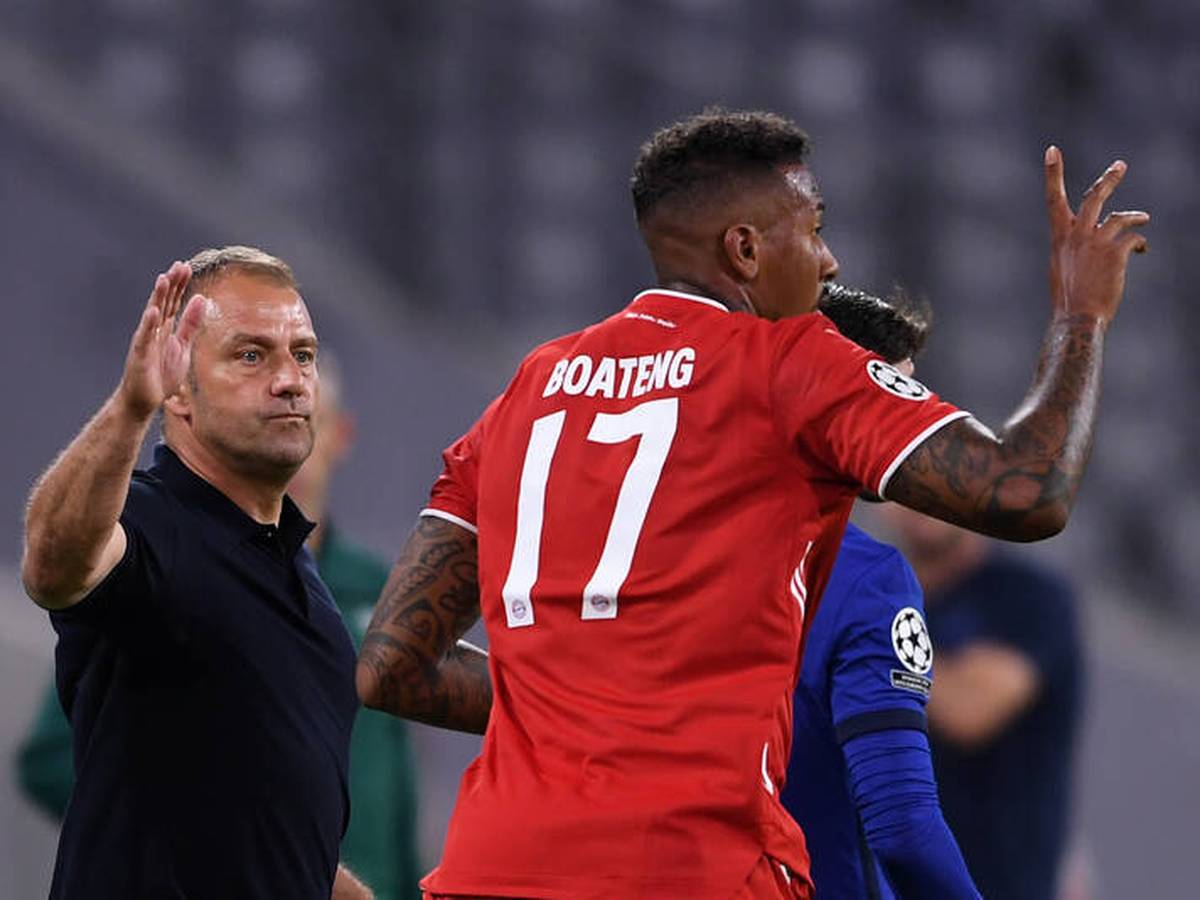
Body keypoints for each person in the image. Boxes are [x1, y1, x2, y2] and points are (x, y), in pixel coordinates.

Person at [355, 109, 1147, 900]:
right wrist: (1081, 316)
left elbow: (391, 666)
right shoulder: (787, 363)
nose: (829, 260)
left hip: (491, 871)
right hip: (689, 871)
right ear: (744, 249)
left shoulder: (527, 391)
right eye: (815, 229)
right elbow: (1027, 489)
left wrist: (571, 715)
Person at [21, 247, 371, 899]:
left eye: (302, 355)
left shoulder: (304, 583)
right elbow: (52, 565)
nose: (290, 380)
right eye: (251, 355)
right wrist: (131, 408)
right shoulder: (153, 521)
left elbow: (265, 835)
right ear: (179, 390)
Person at [781, 284, 978, 899]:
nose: (912, 425)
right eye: (896, 395)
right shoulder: (865, 578)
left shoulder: (659, 551)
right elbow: (902, 827)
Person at [882, 503, 1083, 900]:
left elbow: (969, 709)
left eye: (947, 476)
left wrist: (856, 636)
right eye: (913, 478)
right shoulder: (880, 591)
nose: (929, 497)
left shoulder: (1028, 598)